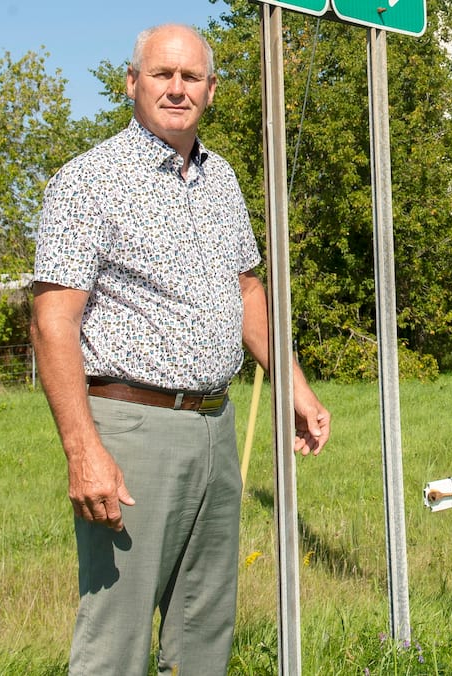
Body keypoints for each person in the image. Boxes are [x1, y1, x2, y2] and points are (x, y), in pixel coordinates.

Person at [30, 23, 330, 675]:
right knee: (117, 637)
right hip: (132, 431)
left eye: (190, 77)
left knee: (204, 626)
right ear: (132, 82)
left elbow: (247, 290)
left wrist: (294, 385)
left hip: (215, 427)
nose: (176, 88)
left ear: (211, 91)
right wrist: (85, 452)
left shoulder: (221, 179)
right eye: (162, 74)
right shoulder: (87, 181)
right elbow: (53, 324)